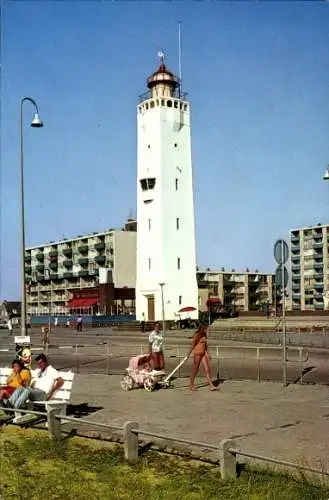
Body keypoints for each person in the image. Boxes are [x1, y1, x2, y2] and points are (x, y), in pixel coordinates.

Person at [187, 324, 216, 392]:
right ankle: (191, 385)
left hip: (203, 354)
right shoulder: (197, 335)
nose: (207, 330)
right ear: (202, 329)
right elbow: (193, 345)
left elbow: (206, 345)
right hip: (197, 354)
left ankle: (211, 385)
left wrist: (208, 354)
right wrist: (188, 353)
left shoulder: (204, 335)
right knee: (195, 370)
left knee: (207, 369)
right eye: (206, 329)